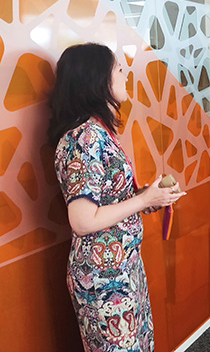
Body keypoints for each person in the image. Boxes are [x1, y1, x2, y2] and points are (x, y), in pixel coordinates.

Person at [48, 43, 186, 352]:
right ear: (97, 80)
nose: (125, 75)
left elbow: (107, 201)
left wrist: (148, 197)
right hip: (103, 278)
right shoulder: (84, 138)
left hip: (124, 266)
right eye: (118, 69)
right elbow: (83, 220)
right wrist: (141, 201)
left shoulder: (98, 131)